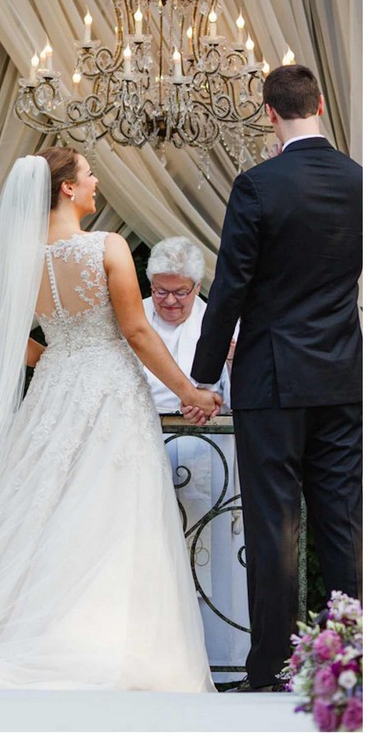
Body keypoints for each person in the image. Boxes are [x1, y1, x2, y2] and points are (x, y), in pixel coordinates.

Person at [0, 146, 221, 692]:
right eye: (90, 175)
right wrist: (190, 389)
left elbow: (1, 335)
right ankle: (106, 652)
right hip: (111, 391)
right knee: (114, 511)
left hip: (53, 391)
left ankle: (33, 629)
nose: (97, 184)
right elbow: (138, 334)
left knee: (44, 510)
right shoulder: (107, 247)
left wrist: (53, 358)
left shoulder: (18, 257)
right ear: (67, 188)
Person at [189, 64, 363, 692]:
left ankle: (273, 669)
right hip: (343, 373)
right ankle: (348, 663)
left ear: (269, 114)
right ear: (319, 103)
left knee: (274, 525)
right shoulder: (358, 182)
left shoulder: (258, 185)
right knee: (340, 522)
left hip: (270, 377)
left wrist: (203, 377)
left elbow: (231, 285)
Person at [139, 237, 249, 681]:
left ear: (196, 286)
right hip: (143, 440)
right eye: (161, 290)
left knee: (205, 553)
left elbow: (232, 383)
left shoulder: (220, 322)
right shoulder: (134, 318)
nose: (169, 301)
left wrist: (212, 397)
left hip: (207, 449)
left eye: (179, 292)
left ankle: (212, 659)